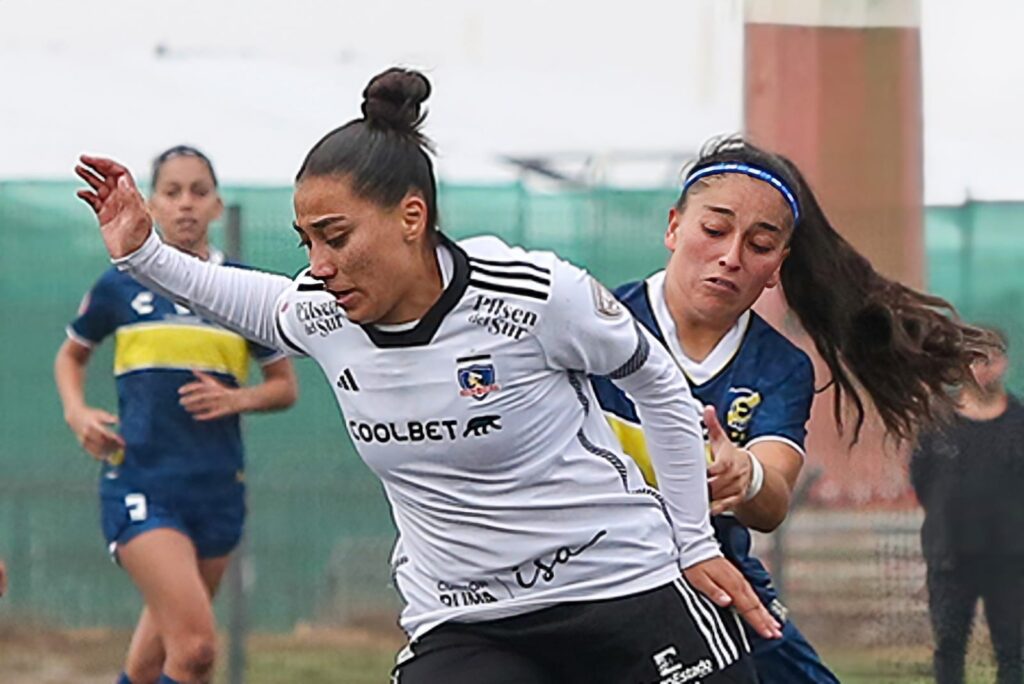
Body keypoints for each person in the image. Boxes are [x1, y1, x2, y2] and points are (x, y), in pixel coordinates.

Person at [74, 68, 782, 684]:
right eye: (308, 242)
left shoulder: (533, 296)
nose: (319, 264)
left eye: (337, 235)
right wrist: (142, 252)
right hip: (467, 622)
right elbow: (248, 298)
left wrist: (691, 543)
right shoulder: (326, 314)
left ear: (411, 216)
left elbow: (656, 382)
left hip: (621, 588)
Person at [592, 137, 1000, 683]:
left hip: (716, 582)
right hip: (591, 581)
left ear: (777, 266)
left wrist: (746, 474)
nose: (731, 257)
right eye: (714, 231)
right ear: (674, 228)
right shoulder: (595, 328)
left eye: (760, 244)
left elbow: (772, 498)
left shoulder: (779, 365)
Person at [56, 145, 299, 684]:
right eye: (172, 192)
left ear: (217, 206)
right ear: (152, 205)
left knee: (150, 665)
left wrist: (238, 398)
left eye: (198, 191)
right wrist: (77, 413)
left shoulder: (241, 292)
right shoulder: (121, 285)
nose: (186, 204)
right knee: (194, 652)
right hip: (142, 482)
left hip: (216, 490)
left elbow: (284, 388)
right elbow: (71, 355)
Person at [911, 328, 1024, 684]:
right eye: (975, 359)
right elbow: (922, 478)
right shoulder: (938, 423)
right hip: (950, 557)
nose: (984, 368)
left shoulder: (1020, 424)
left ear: (1004, 363)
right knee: (948, 647)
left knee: (1013, 651)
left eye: (991, 358)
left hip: (1011, 559)